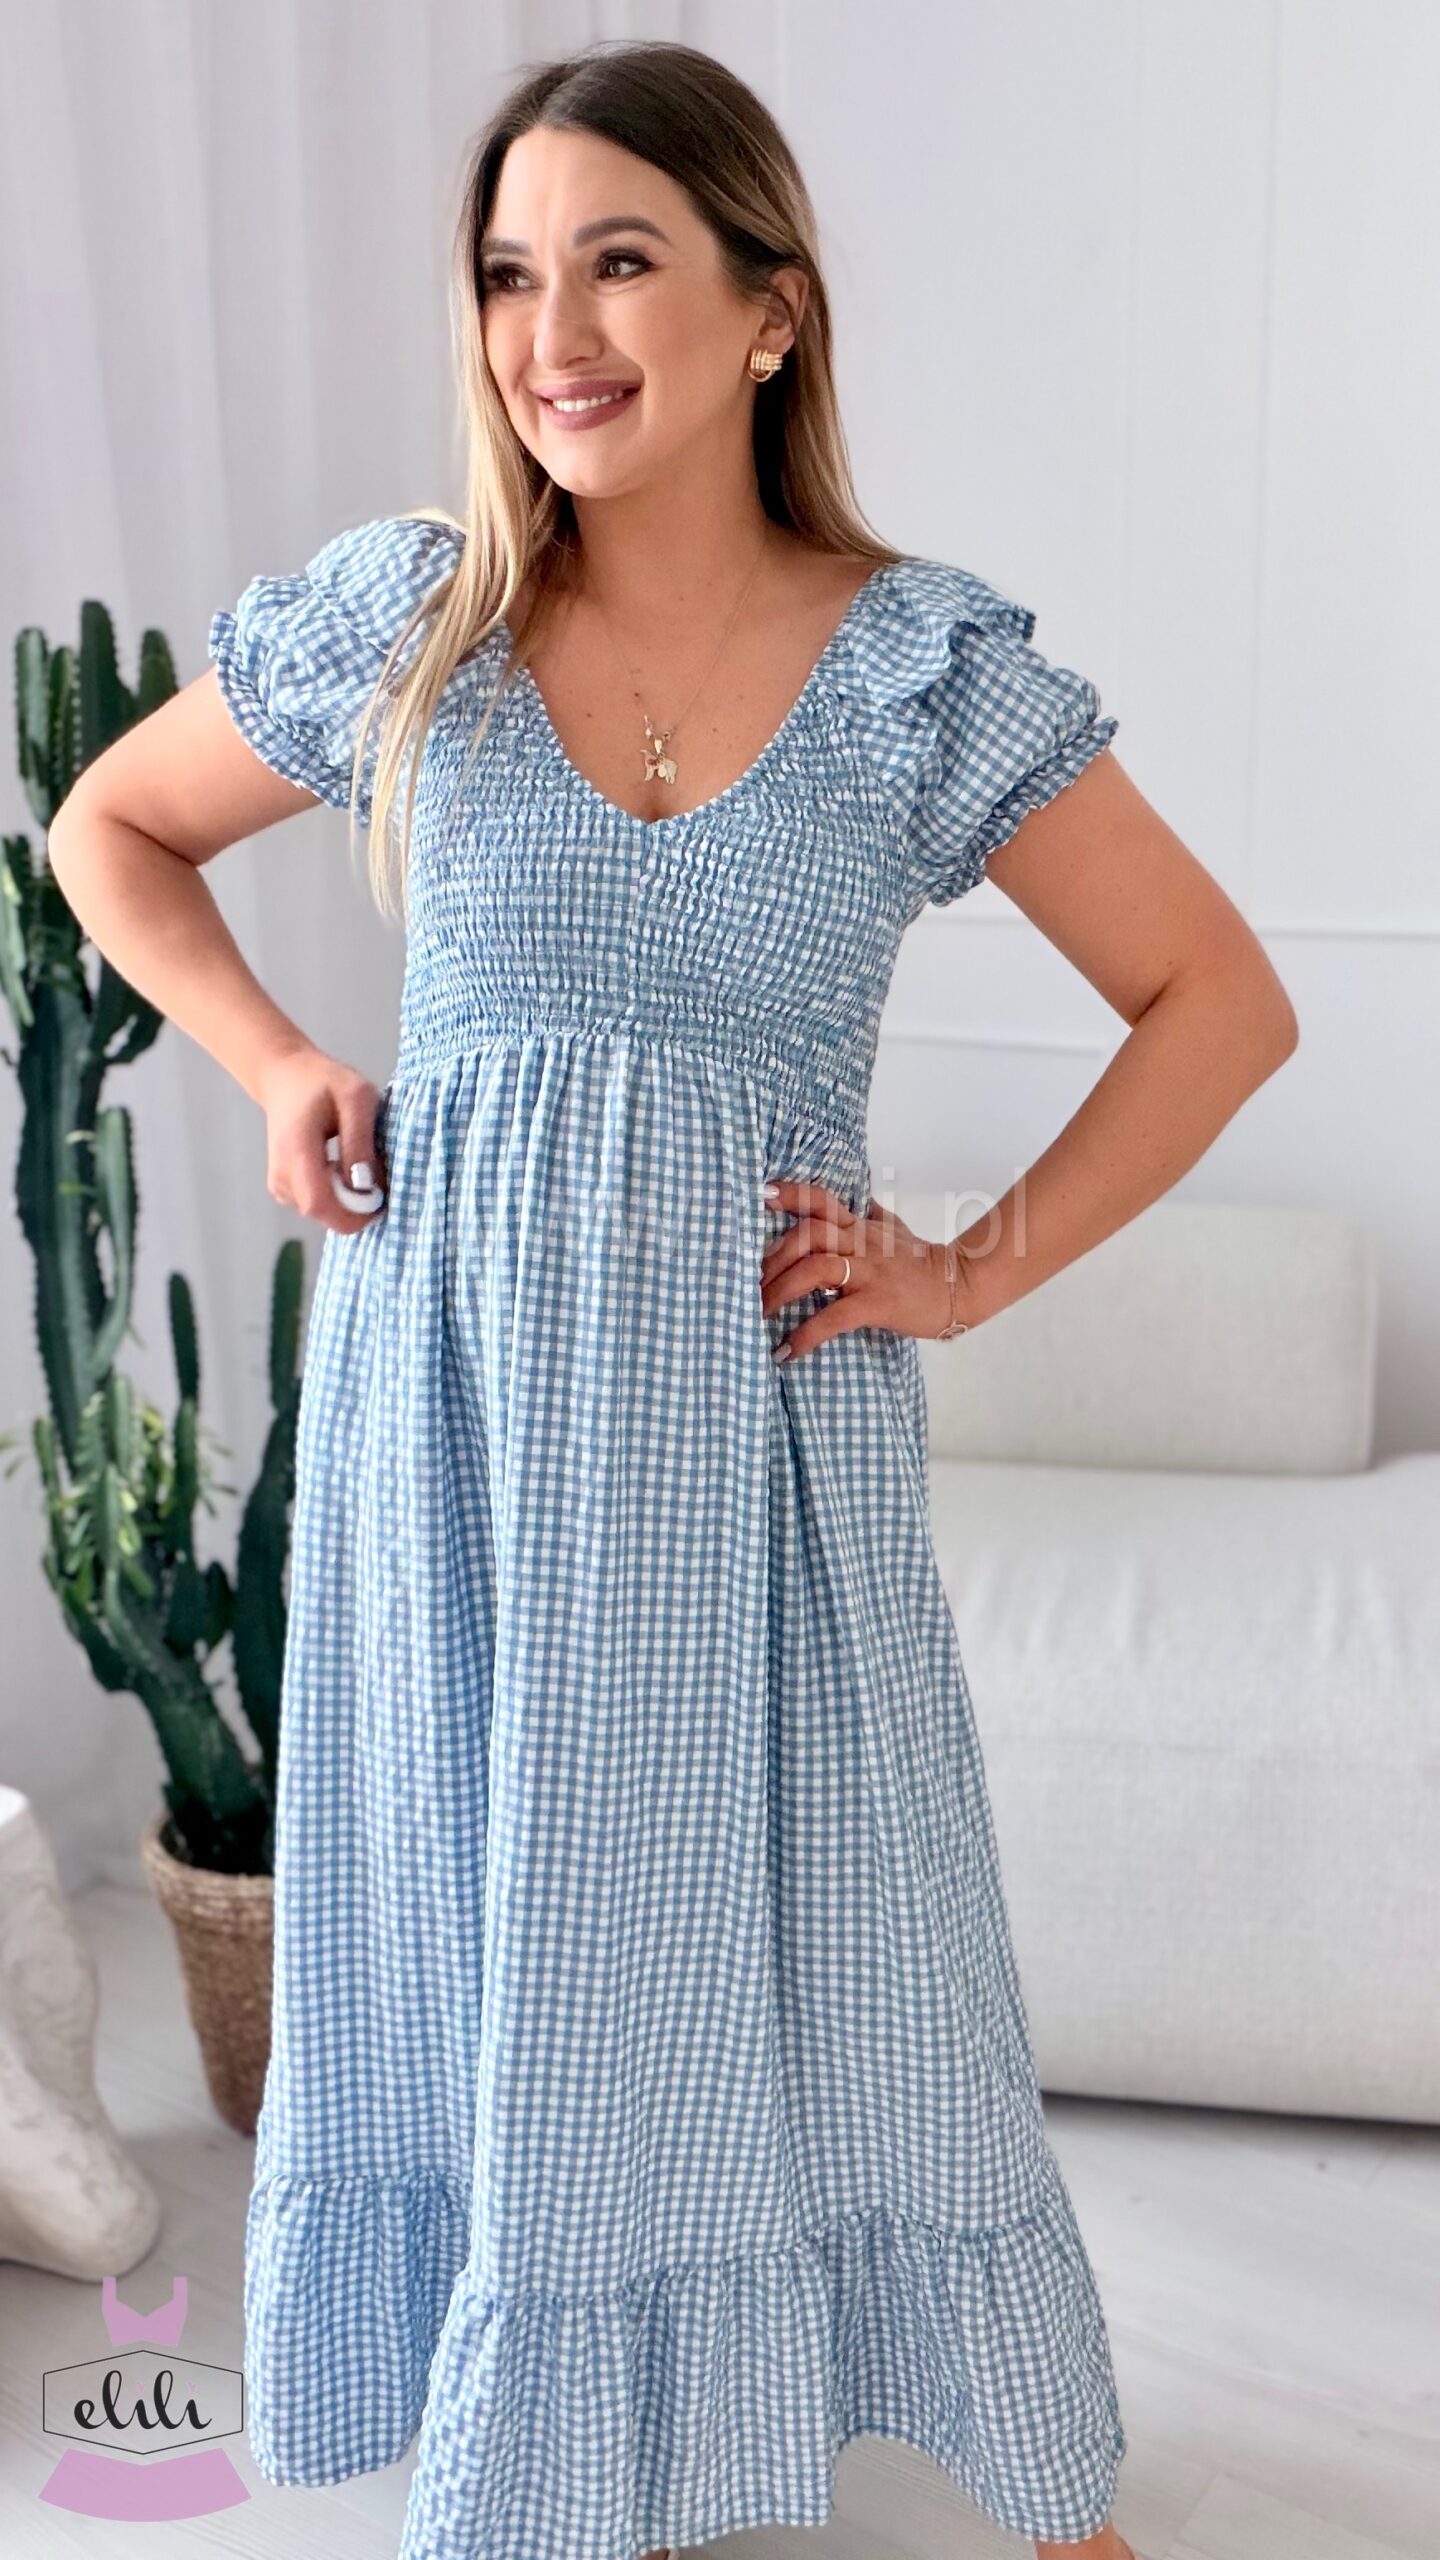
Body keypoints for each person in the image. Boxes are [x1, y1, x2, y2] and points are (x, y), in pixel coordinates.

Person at [48, 39, 1298, 2560]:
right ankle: (553, 2463)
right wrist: (282, 1060)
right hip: (460, 1427)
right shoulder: (422, 621)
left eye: (619, 261)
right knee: (503, 1938)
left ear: (768, 310)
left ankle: (1038, 2475)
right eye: (509, 274)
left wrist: (966, 1268)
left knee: (870, 1946)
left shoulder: (916, 670)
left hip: (758, 1438)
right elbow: (112, 825)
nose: (551, 331)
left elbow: (1219, 1002)